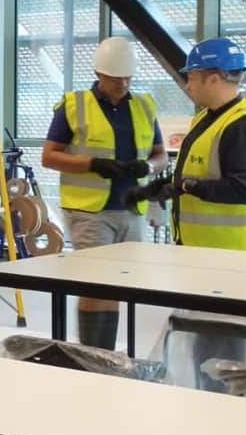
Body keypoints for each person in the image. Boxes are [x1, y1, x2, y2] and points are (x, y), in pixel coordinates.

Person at [128, 37, 246, 391]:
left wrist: (189, 186)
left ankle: (220, 408)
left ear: (214, 78)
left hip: (235, 258)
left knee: (222, 352)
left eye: (191, 77)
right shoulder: (206, 119)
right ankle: (204, 402)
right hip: (203, 256)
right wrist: (161, 188)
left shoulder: (242, 126)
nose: (187, 84)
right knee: (201, 344)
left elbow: (242, 190)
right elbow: (197, 173)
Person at [41, 37, 165, 351]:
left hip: (131, 210)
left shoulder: (143, 106)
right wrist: (93, 164)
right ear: (99, 74)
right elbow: (49, 156)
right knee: (96, 283)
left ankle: (104, 353)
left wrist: (148, 167)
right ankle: (93, 354)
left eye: (128, 78)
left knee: (118, 283)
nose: (123, 84)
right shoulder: (74, 105)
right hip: (90, 211)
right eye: (115, 78)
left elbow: (161, 154)